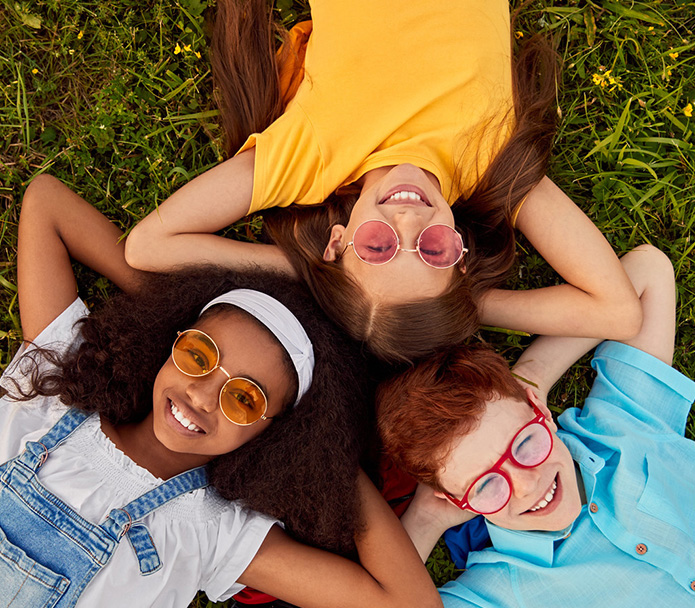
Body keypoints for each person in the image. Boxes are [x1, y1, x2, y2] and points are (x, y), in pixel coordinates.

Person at [0, 175, 443, 608]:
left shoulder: (217, 531)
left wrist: (323, 451)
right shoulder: (52, 398)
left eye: (244, 400)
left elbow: (411, 605)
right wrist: (172, 311)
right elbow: (46, 201)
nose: (202, 397)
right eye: (198, 356)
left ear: (273, 432)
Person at [124, 0, 641, 362]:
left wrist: (314, 276)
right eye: (433, 250)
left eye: (377, 246)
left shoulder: (311, 157)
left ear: (337, 240)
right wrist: (456, 307)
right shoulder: (489, 159)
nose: (410, 219)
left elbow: (148, 245)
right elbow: (617, 312)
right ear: (462, 252)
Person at [327, 244, 695, 608]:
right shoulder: (508, 595)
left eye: (525, 444)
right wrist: (424, 521)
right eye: (485, 485)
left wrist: (533, 372)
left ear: (538, 409)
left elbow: (646, 271)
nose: (528, 485)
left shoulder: (623, 429)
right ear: (459, 503)